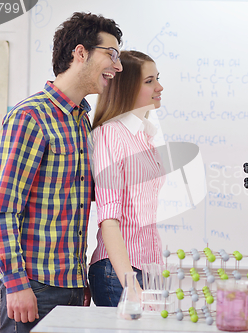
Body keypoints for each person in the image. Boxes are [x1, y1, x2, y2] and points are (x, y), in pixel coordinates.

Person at [0, 12, 123, 333]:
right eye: (111, 54)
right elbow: (3, 210)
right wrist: (16, 285)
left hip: (70, 286)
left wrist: (80, 282)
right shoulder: (30, 116)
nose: (117, 67)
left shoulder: (79, 120)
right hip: (32, 286)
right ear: (80, 53)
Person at [88, 50, 166, 307]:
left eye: (157, 79)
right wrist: (131, 285)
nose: (159, 87)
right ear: (127, 87)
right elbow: (109, 220)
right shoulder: (110, 135)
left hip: (144, 269)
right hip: (119, 273)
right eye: (149, 81)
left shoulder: (145, 136)